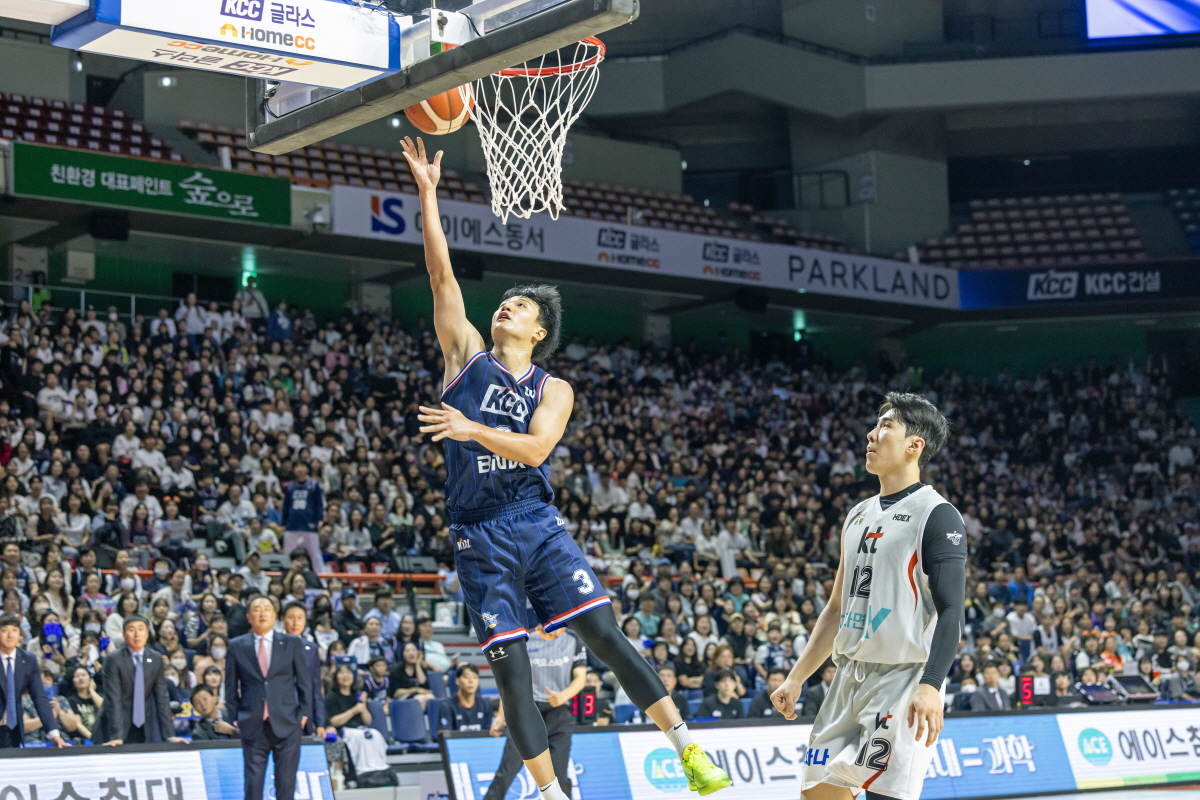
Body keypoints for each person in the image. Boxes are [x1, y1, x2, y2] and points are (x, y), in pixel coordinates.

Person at [402, 136, 729, 800]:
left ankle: (688, 749)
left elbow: (537, 450)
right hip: (477, 531)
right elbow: (441, 276)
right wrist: (429, 193)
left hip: (533, 519)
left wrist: (468, 427)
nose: (506, 308)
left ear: (537, 332)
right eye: (505, 303)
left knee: (604, 633)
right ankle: (553, 797)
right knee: (514, 678)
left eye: (519, 308)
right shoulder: (465, 352)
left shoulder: (555, 389)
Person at [771, 393, 965, 800]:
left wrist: (931, 685)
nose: (871, 434)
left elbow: (952, 611)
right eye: (876, 425)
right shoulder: (857, 514)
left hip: (903, 679)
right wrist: (797, 676)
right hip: (847, 679)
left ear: (915, 445)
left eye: (886, 426)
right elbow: (837, 608)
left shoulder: (937, 514)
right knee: (818, 795)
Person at [484, 623, 588, 800]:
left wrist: (563, 695)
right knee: (506, 772)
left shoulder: (573, 639)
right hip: (527, 714)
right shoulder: (525, 639)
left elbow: (580, 677)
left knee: (559, 778)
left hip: (559, 715)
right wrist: (501, 717)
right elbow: (510, 681)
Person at [226, 597, 311, 800]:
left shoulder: (291, 643)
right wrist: (236, 719)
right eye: (256, 609)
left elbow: (305, 683)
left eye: (267, 609)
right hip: (253, 724)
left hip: (288, 723)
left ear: (274, 615)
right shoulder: (236, 646)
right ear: (248, 616)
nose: (262, 613)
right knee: (253, 785)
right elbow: (229, 689)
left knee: (286, 784)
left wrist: (304, 714)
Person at [98, 613, 178, 744]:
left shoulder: (156, 658)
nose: (136, 634)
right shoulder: (113, 659)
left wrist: (169, 735)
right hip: (115, 727)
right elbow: (114, 699)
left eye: (141, 629)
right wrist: (116, 736)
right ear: (124, 635)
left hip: (146, 727)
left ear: (147, 633)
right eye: (131, 630)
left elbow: (162, 697)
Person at [0, 615, 66, 748]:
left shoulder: (28, 660)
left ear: (19, 634)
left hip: (13, 728)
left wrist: (54, 734)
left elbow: (39, 697)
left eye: (14, 630)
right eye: (4, 630)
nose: (10, 635)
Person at [283, 602, 326, 738]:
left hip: (305, 715)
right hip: (281, 714)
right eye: (291, 617)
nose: (295, 622)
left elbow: (315, 688)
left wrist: (320, 723)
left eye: (300, 618)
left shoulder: (312, 649)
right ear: (283, 619)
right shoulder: (273, 646)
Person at [437, 663, 493, 733]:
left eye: (475, 677)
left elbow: (489, 734)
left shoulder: (485, 705)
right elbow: (444, 736)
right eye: (466, 677)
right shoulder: (447, 706)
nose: (471, 681)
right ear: (457, 681)